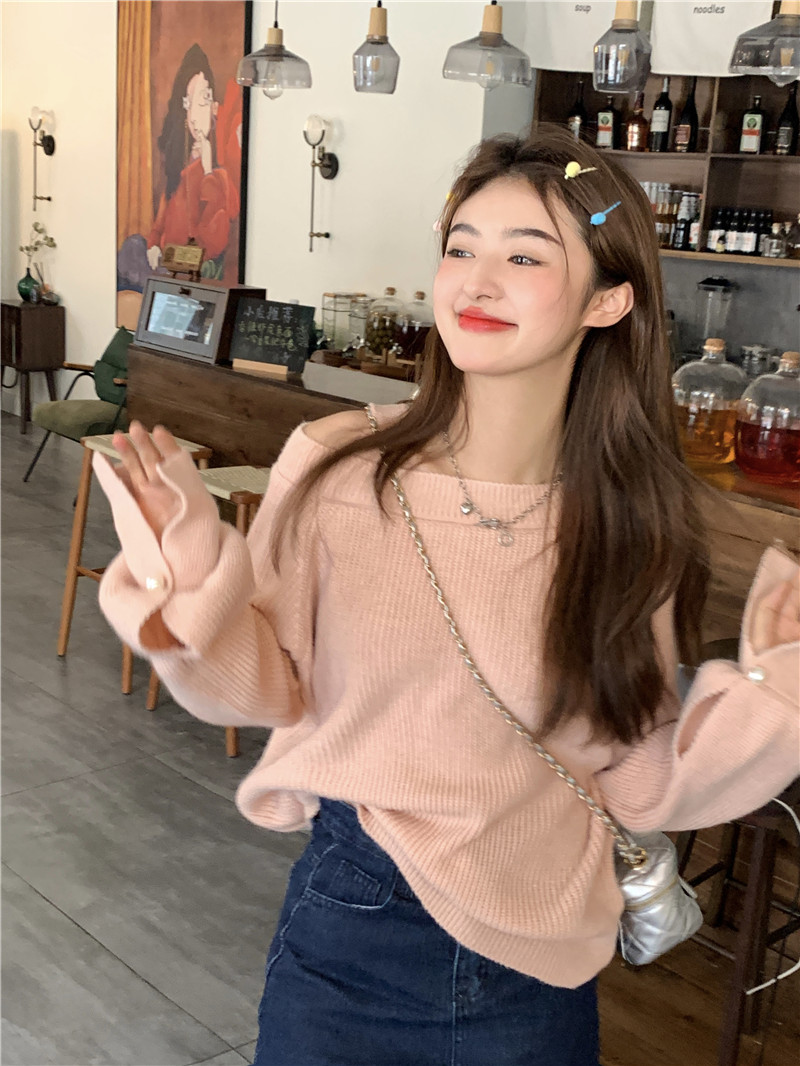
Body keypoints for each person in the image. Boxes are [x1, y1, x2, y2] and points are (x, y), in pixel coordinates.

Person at [92, 128, 799, 1066]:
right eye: (460, 249)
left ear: (609, 299)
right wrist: (190, 582)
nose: (476, 282)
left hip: (540, 960)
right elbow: (266, 688)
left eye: (524, 257)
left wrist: (774, 701)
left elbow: (633, 775)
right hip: (354, 927)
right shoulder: (341, 468)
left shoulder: (634, 522)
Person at [146, 44, 241, 279]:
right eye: (190, 102)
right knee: (132, 248)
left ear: (214, 107)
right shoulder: (179, 166)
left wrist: (208, 171)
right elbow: (159, 224)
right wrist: (153, 245)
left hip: (190, 271)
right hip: (167, 264)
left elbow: (213, 242)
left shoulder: (220, 174)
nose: (197, 113)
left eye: (205, 99)